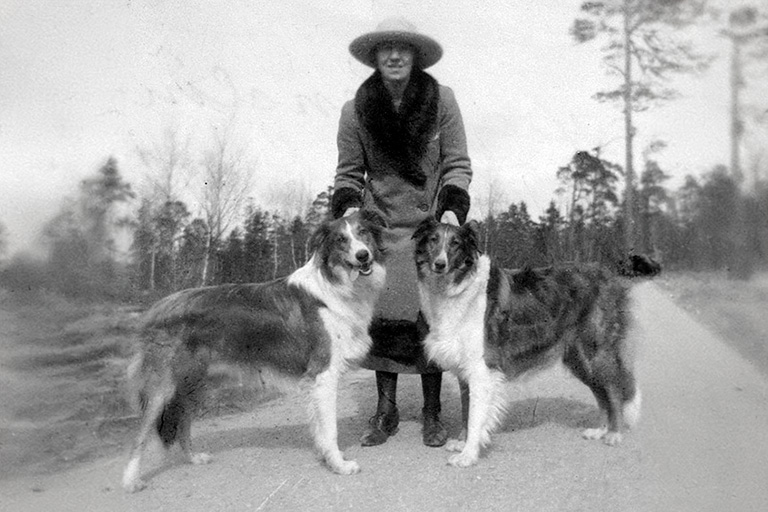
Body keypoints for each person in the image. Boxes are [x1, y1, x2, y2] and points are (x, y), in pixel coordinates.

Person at [330, 17, 473, 447]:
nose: (394, 56)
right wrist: (351, 212)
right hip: (379, 230)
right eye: (385, 49)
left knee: (429, 319)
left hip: (431, 230)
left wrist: (451, 211)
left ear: (415, 56)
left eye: (403, 49)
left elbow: (457, 164)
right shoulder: (356, 110)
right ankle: (385, 411)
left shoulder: (441, 100)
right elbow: (349, 173)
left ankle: (432, 413)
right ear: (375, 57)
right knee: (382, 319)